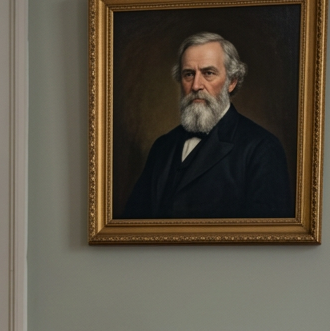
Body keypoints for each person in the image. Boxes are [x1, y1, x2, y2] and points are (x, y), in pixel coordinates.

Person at [122, 32, 294, 220]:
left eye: (208, 73)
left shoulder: (262, 148)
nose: (196, 85)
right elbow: (132, 226)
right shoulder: (162, 146)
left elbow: (267, 238)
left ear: (232, 81)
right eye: (189, 74)